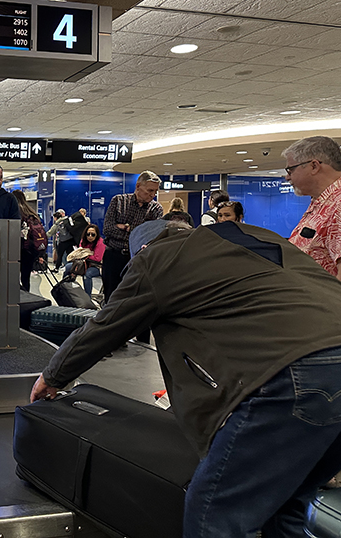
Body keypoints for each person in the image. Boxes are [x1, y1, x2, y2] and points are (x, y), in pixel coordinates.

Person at [30, 218, 341, 537]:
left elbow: (104, 327)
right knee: (285, 506)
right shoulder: (249, 235)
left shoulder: (157, 258)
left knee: (214, 515)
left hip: (297, 372)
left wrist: (53, 376)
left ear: (143, 250)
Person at [284, 135, 341, 279]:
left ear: (314, 166)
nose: (287, 177)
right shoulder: (322, 201)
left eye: (290, 170)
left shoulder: (338, 205)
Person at [102, 170, 163, 305]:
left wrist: (124, 227)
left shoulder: (156, 209)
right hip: (114, 257)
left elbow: (152, 237)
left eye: (155, 192)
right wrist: (137, 233)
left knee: (134, 300)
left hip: (138, 259)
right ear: (138, 187)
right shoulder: (118, 201)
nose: (153, 195)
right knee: (111, 298)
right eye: (150, 190)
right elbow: (108, 229)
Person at [13, 190, 47, 291]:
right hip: (31, 250)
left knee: (14, 277)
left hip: (19, 248)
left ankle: (17, 298)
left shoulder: (16, 211)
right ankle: (27, 297)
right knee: (25, 277)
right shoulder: (31, 212)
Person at [64, 223, 104, 297]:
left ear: (97, 235)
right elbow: (80, 252)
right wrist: (88, 254)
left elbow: (97, 258)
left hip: (96, 266)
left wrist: (85, 255)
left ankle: (87, 296)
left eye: (93, 234)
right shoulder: (83, 241)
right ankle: (65, 291)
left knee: (87, 274)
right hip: (83, 264)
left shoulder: (100, 243)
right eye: (88, 234)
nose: (90, 236)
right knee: (68, 267)